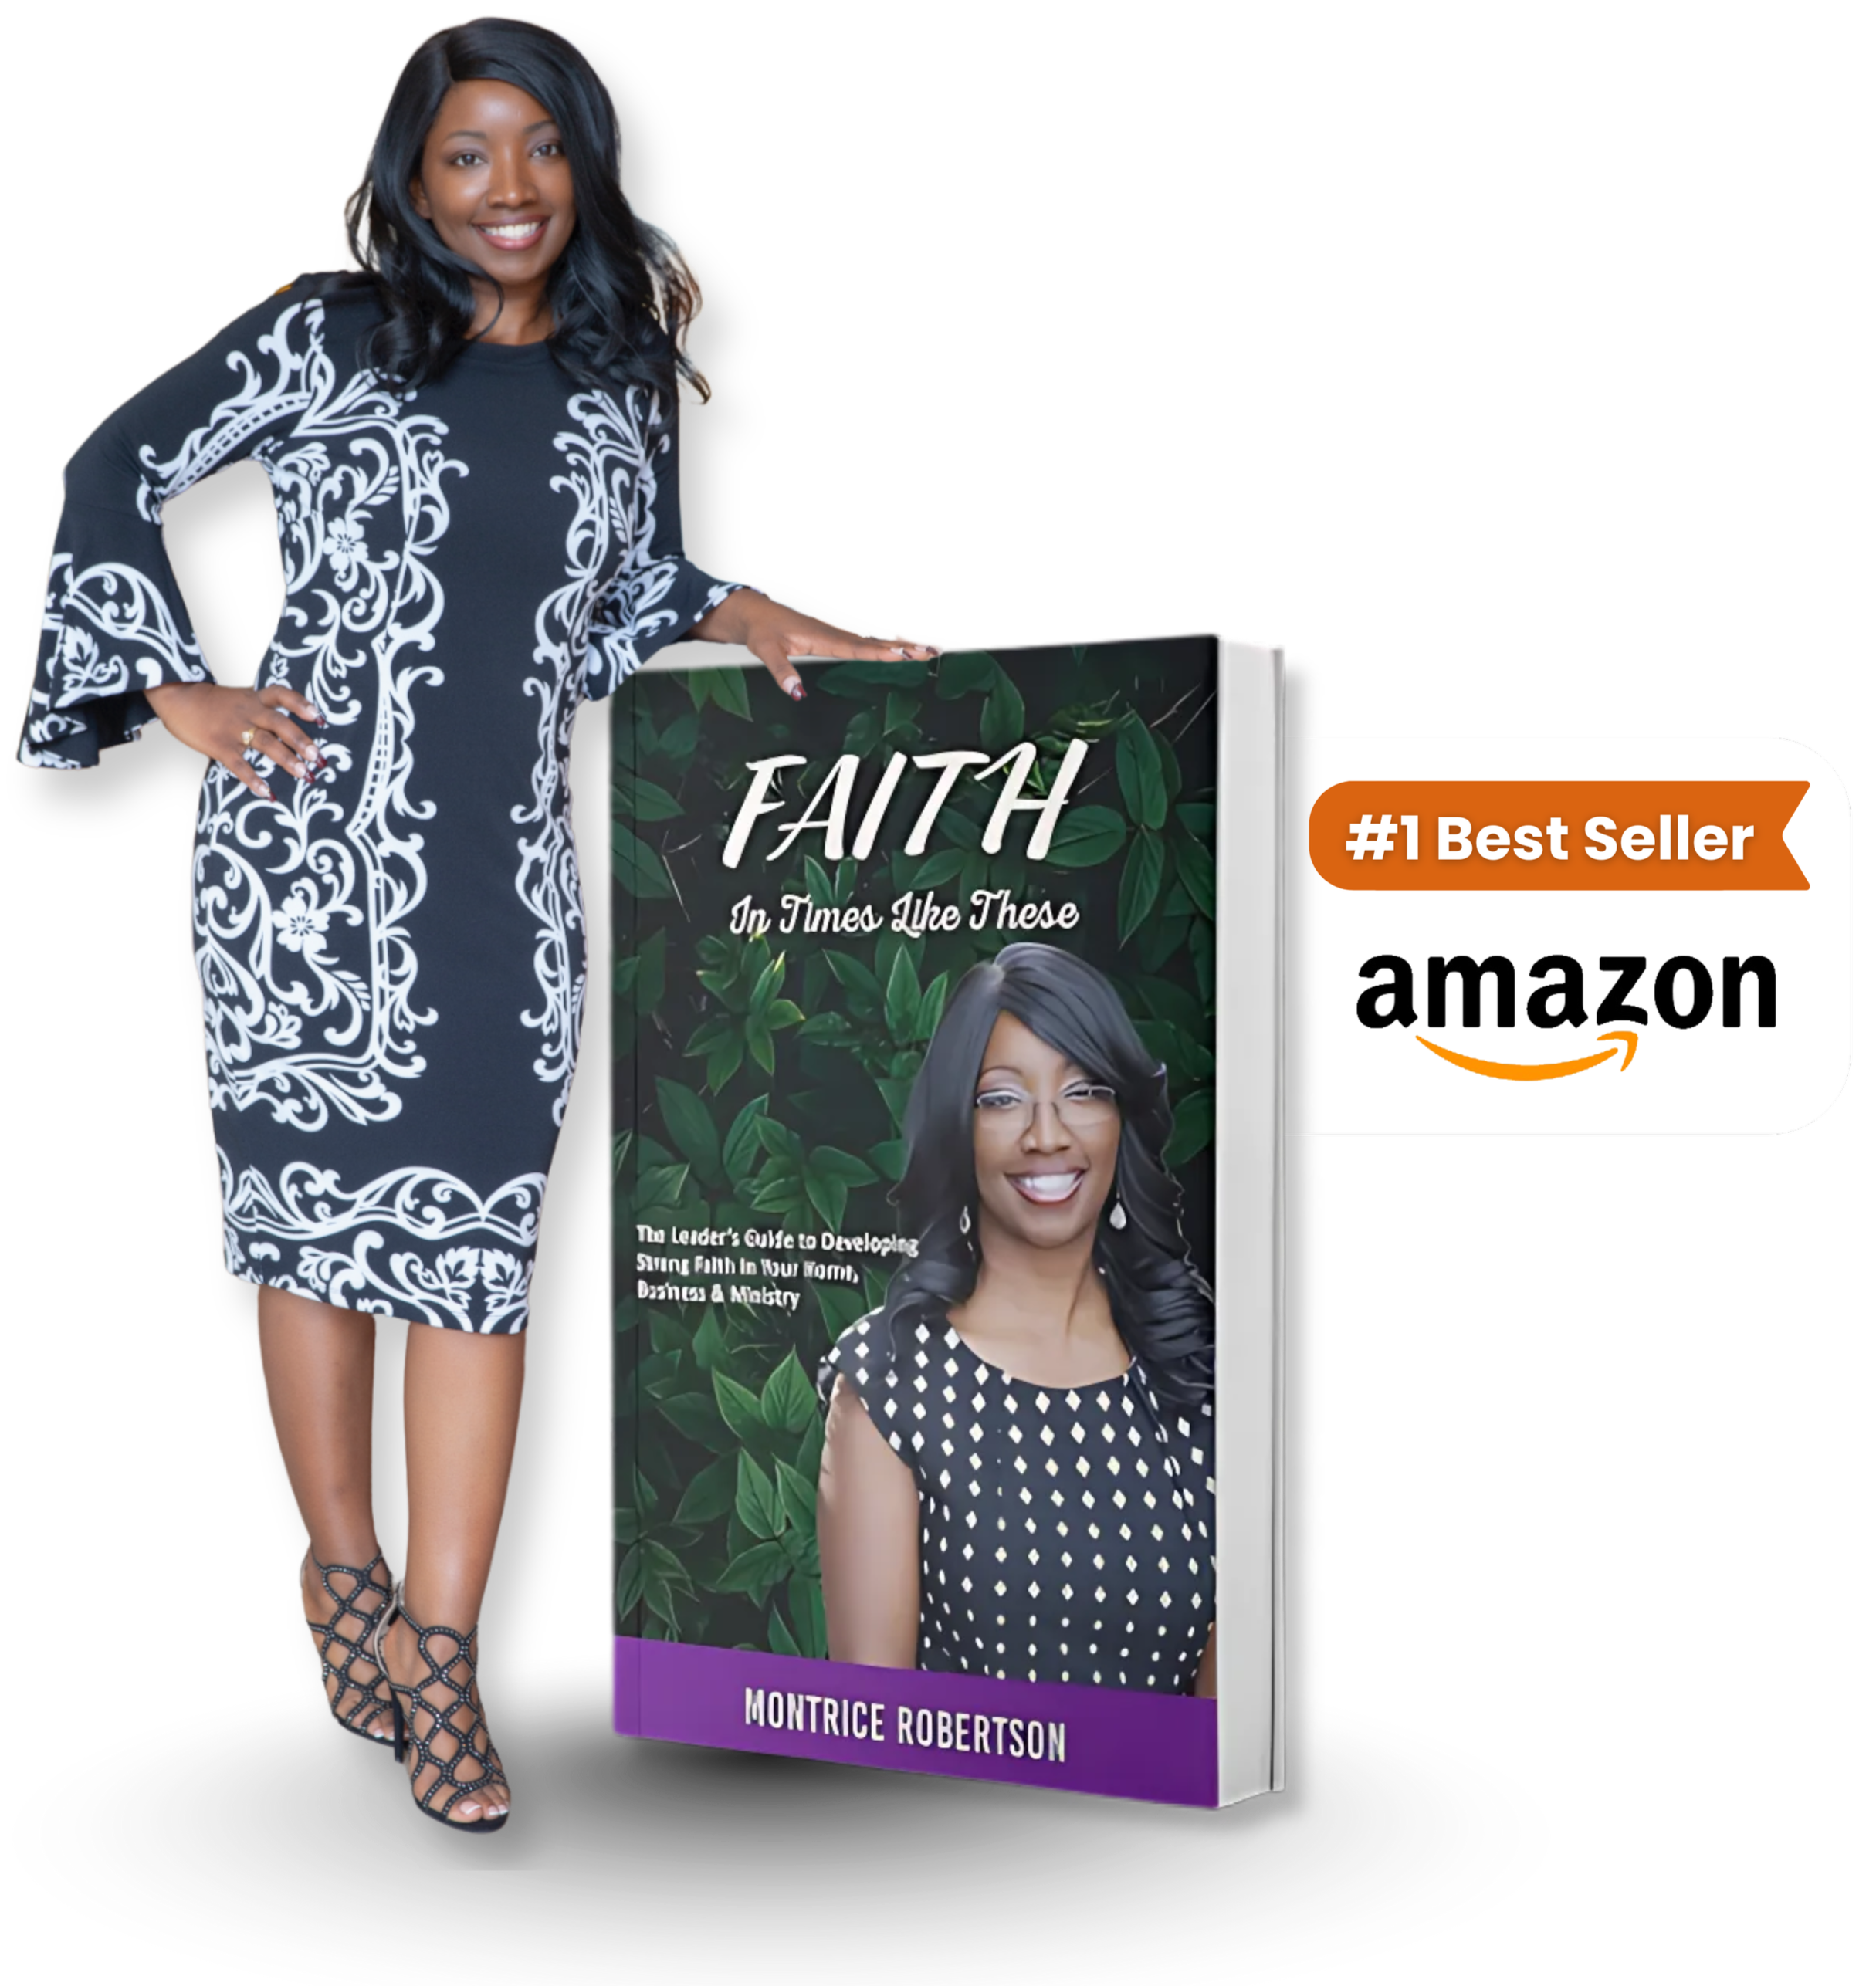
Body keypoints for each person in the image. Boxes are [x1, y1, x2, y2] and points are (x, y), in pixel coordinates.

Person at [17, 16, 940, 1834]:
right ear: (413, 182)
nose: (507, 189)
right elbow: (108, 472)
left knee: (474, 1262)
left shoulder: (625, 371)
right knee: (312, 1246)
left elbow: (628, 593)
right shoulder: (330, 336)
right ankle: (342, 1568)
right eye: (466, 155)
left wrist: (751, 609)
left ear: (582, 161)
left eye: (538, 148)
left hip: (502, 890)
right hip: (300, 874)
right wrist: (175, 690)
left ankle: (442, 1644)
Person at [816, 942, 1217, 1695]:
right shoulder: (888, 1380)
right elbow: (875, 1716)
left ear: (1120, 1118)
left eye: (1085, 1090)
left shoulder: (1202, 1361)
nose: (1047, 1134)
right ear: (956, 1127)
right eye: (1002, 1097)